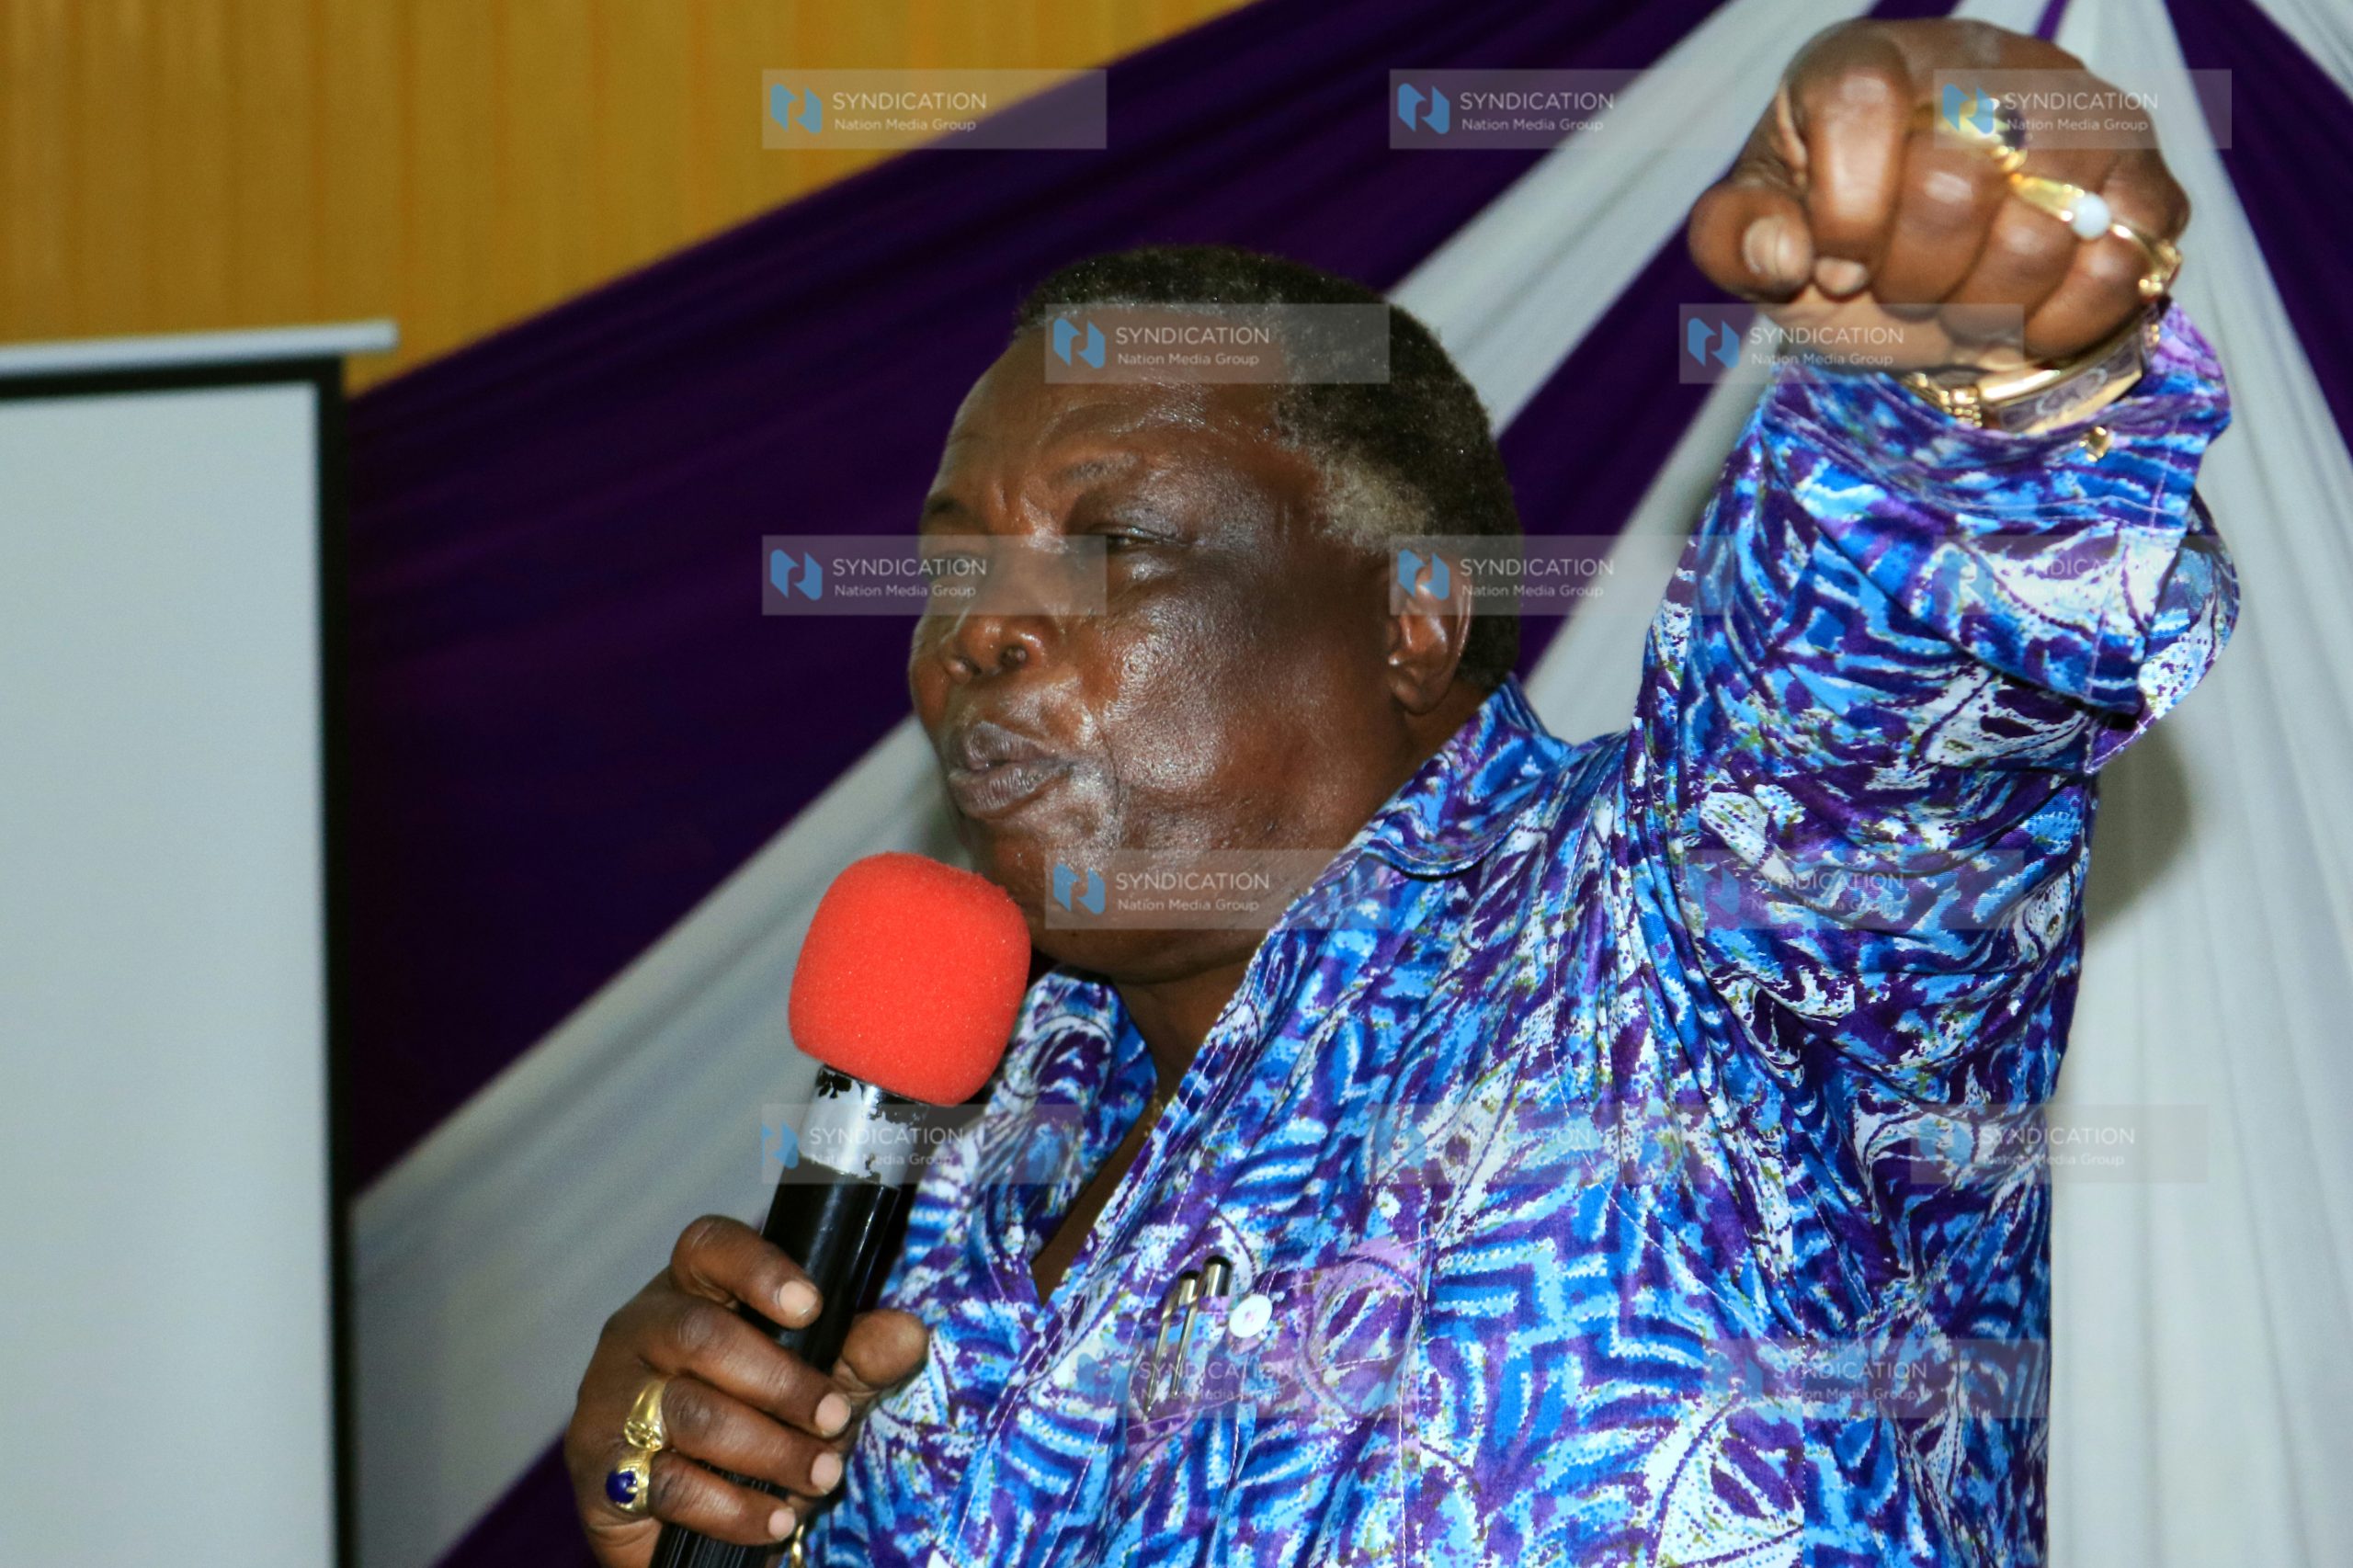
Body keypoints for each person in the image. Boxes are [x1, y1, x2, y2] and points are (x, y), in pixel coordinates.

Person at [564, 17, 2227, 1565]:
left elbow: (1875, 682)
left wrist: (1974, 375)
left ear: (1413, 616)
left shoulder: (1679, 937)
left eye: (1115, 537)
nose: (975, 631)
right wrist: (684, 1494)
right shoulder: (935, 1188)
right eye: (951, 569)